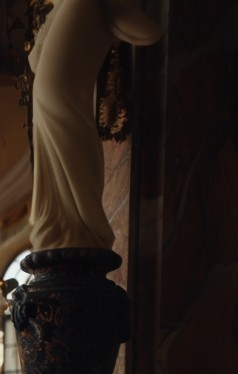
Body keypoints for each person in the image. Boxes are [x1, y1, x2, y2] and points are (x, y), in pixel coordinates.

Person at [28, 0, 161, 251]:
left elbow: (143, 31)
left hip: (61, 98)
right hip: (48, 102)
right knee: (57, 151)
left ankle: (78, 228)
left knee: (71, 141)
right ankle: (63, 227)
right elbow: (35, 59)